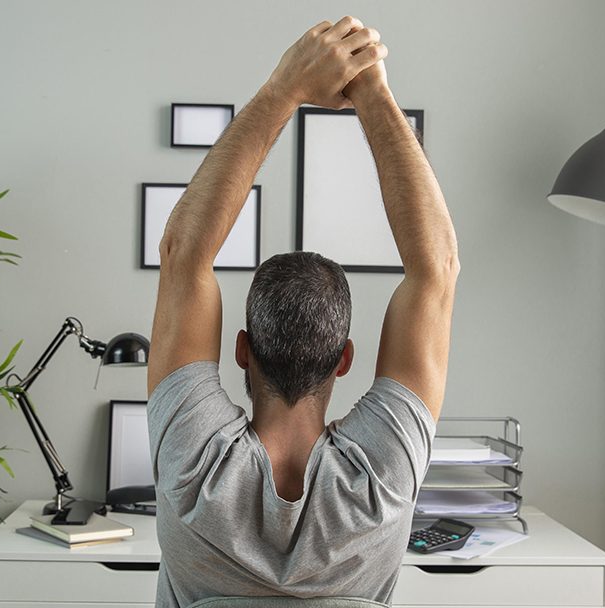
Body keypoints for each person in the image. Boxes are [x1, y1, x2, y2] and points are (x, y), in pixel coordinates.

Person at [146, 16, 460, 607]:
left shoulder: (192, 462)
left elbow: (183, 254)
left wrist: (283, 89)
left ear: (243, 349)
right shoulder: (382, 476)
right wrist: (373, 92)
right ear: (344, 359)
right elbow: (436, 267)